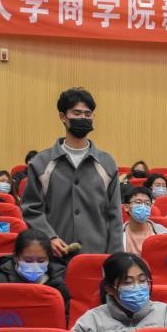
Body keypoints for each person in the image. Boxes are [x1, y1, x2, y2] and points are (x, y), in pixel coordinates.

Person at [22, 88, 122, 257]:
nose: (83, 117)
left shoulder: (106, 163)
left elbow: (114, 215)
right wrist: (49, 236)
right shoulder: (42, 162)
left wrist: (116, 258)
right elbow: (31, 209)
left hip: (96, 254)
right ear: (63, 117)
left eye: (88, 114)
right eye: (76, 113)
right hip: (55, 256)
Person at [0, 229, 70, 313]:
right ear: (16, 257)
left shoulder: (58, 284)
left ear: (48, 259)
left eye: (41, 261)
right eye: (28, 260)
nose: (35, 266)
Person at [121, 187, 167, 255]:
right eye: (138, 202)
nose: (143, 207)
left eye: (147, 203)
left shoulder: (163, 233)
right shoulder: (116, 234)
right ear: (126, 207)